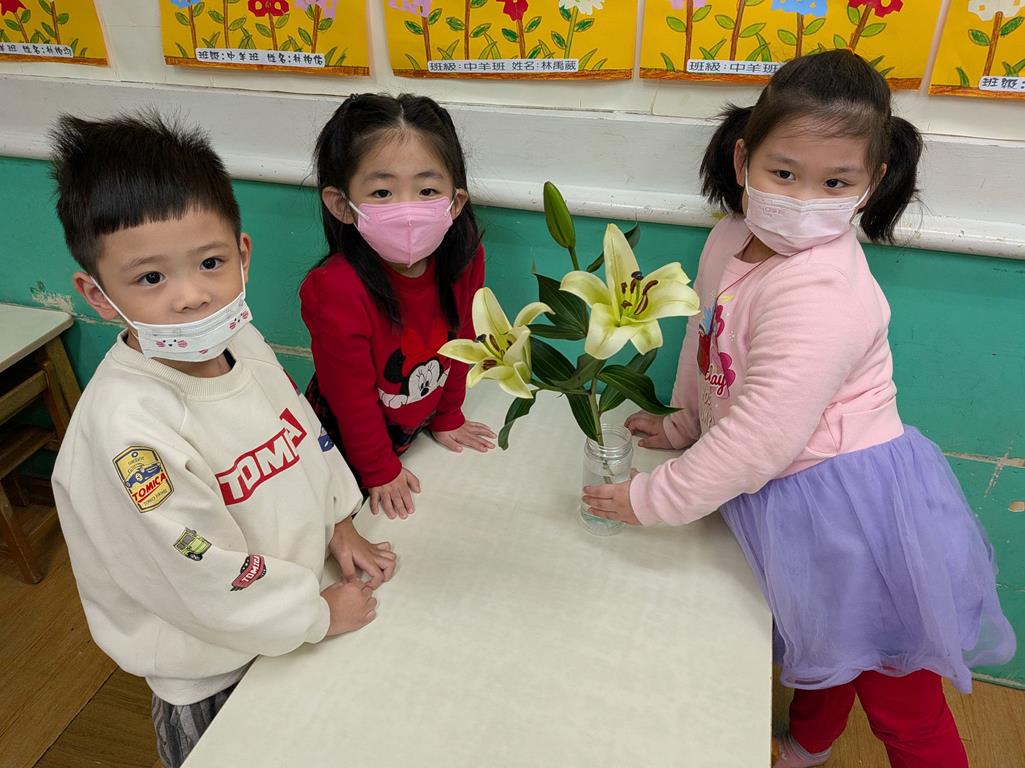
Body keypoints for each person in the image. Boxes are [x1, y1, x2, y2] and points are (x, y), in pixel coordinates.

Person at [581, 51, 1015, 768]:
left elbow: (760, 437)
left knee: (899, 699)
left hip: (855, 514)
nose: (804, 198)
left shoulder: (821, 291)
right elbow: (706, 342)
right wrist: (684, 422)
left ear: (870, 183)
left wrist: (650, 499)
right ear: (742, 157)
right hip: (787, 494)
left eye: (834, 183)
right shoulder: (729, 238)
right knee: (825, 643)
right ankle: (809, 742)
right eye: (783, 173)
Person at [49, 112, 395, 768]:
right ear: (98, 294)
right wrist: (316, 615)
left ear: (242, 254)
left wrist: (338, 523)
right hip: (216, 670)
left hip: (295, 617)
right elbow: (200, 573)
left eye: (210, 263)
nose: (192, 297)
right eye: (150, 278)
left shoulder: (241, 340)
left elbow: (302, 434)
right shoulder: (130, 433)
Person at [301, 93, 496, 521]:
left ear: (455, 202)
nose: (407, 211)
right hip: (343, 449)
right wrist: (379, 470)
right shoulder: (334, 289)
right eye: (382, 192)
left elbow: (463, 341)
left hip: (413, 432)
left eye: (427, 190)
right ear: (342, 205)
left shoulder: (465, 258)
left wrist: (448, 415)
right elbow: (350, 398)